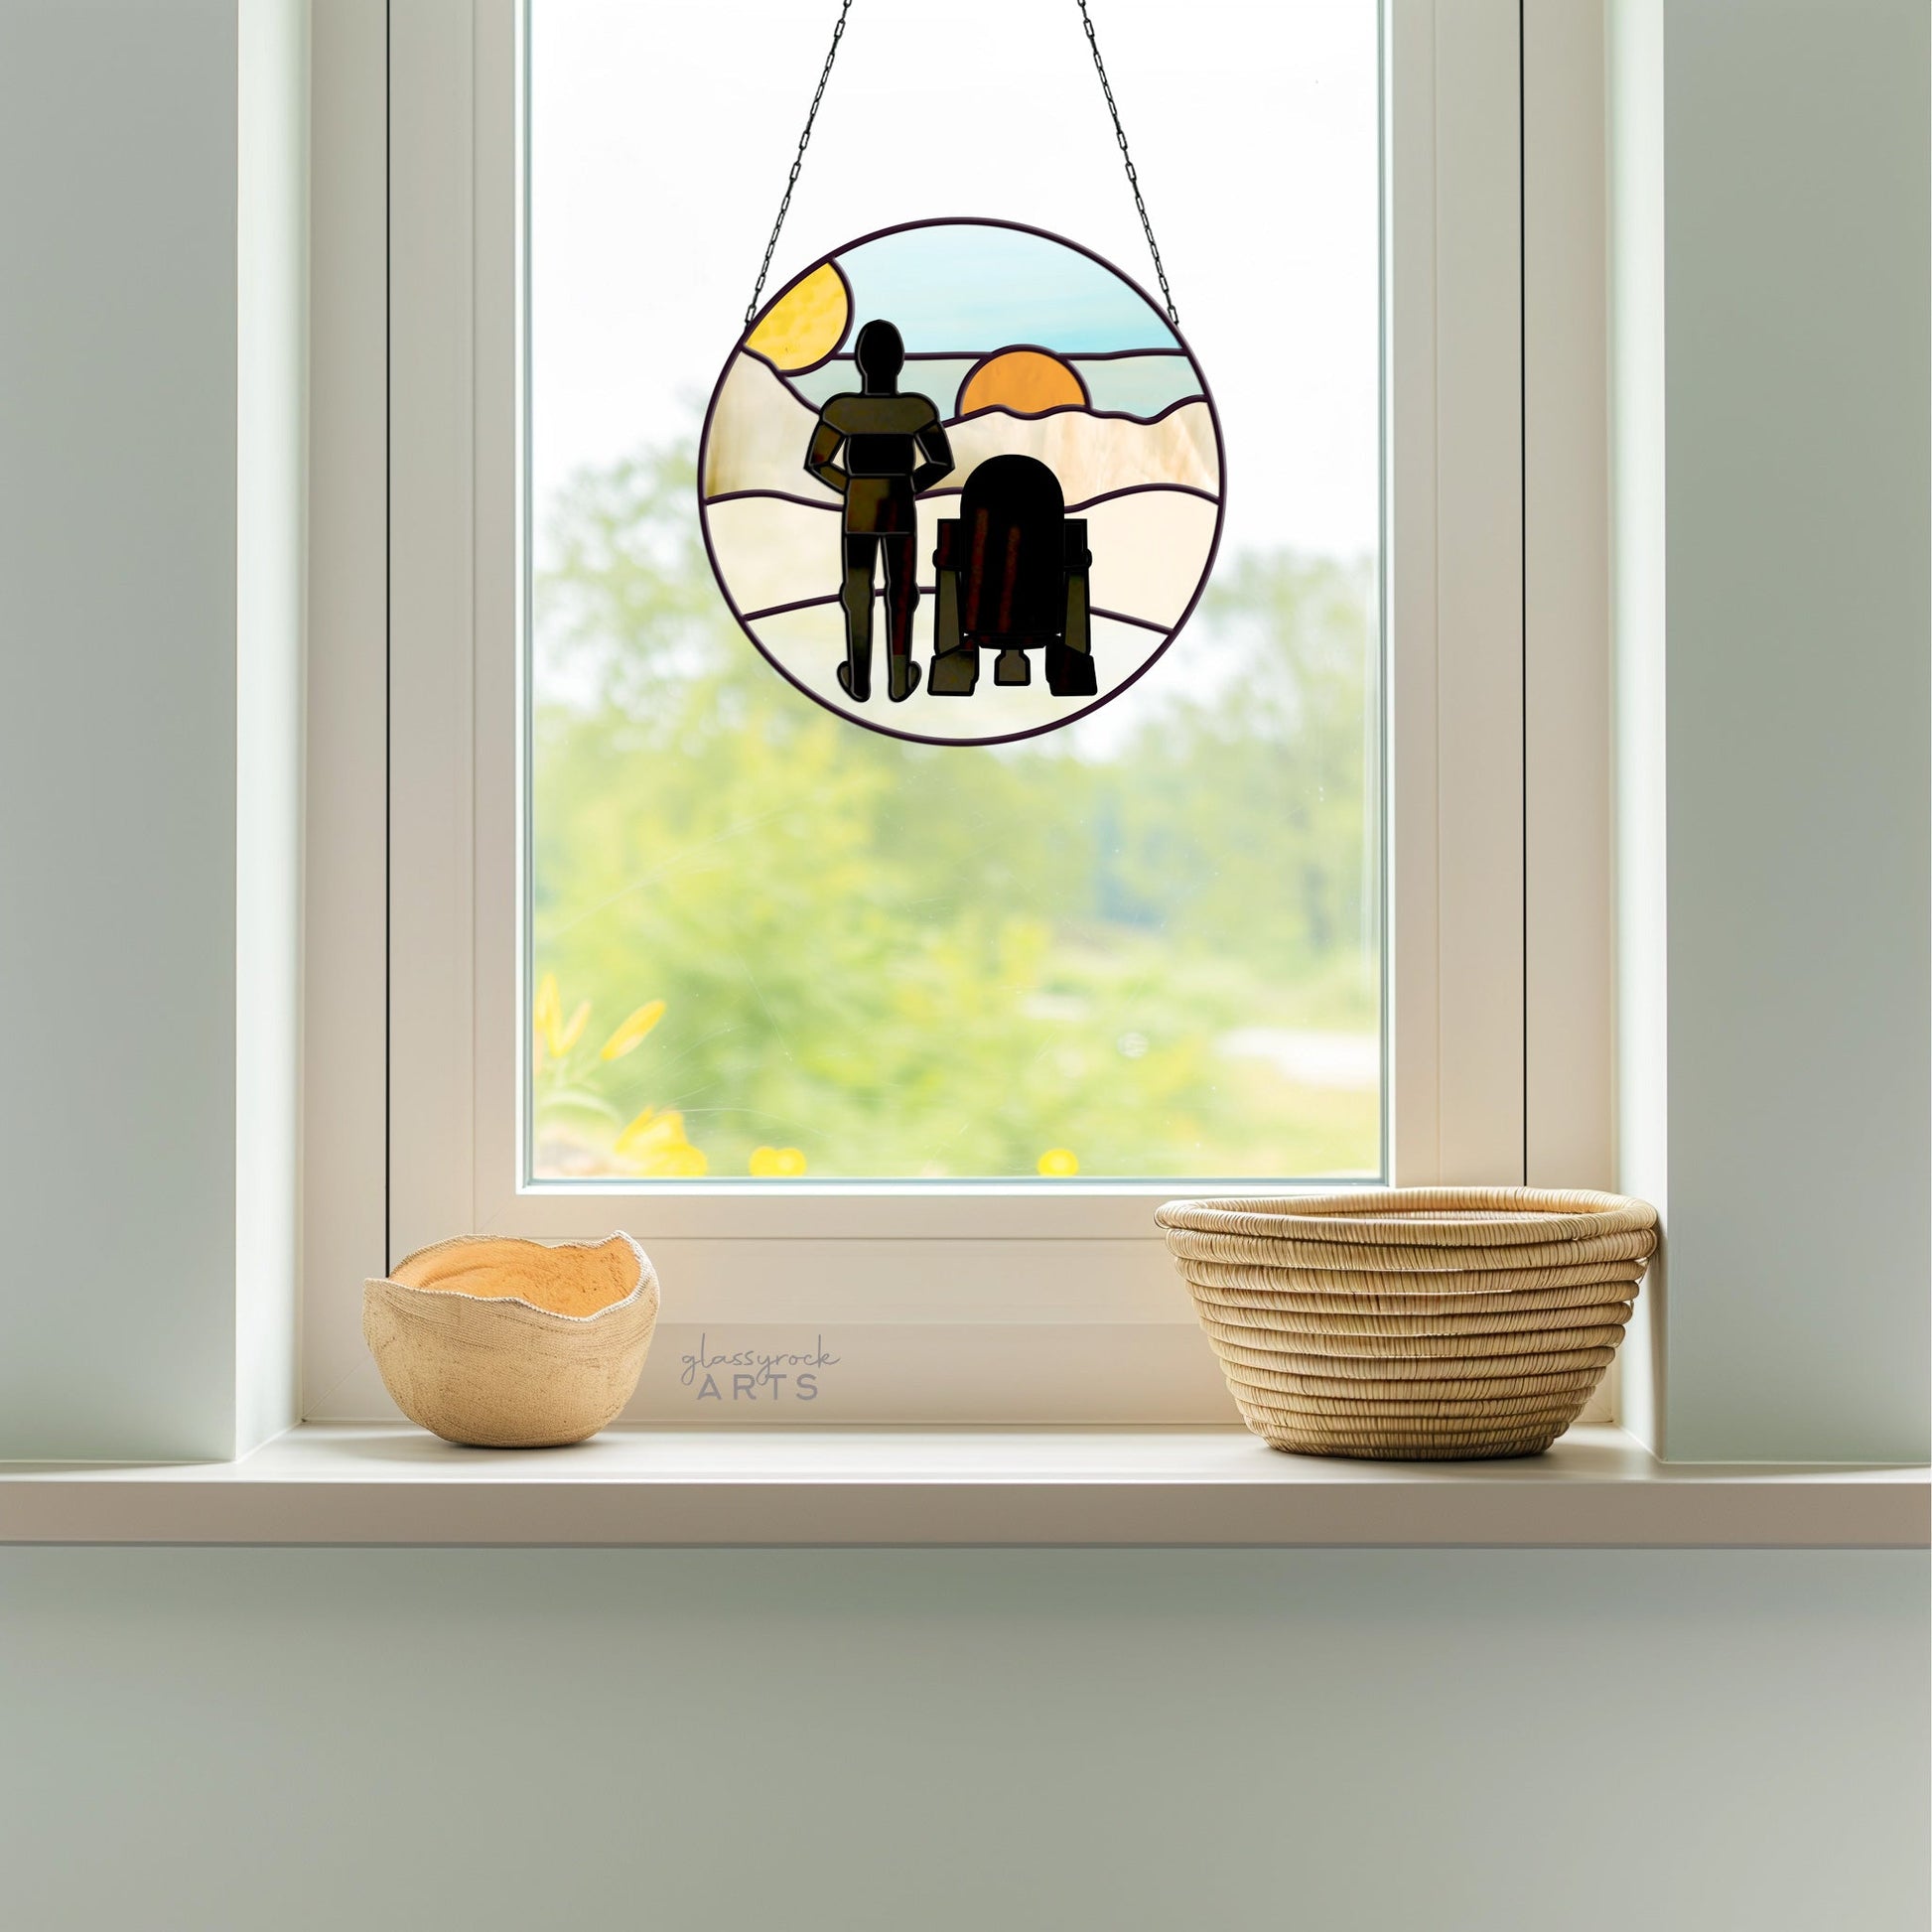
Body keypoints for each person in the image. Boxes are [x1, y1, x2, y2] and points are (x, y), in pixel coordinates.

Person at [804, 319, 954, 702]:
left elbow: (818, 462)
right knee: (902, 590)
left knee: (857, 589)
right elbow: (940, 462)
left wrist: (854, 488)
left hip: (858, 511)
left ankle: (858, 678)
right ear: (900, 361)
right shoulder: (915, 409)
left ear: (859, 361)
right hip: (900, 509)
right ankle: (900, 675)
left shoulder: (843, 409)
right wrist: (904, 487)